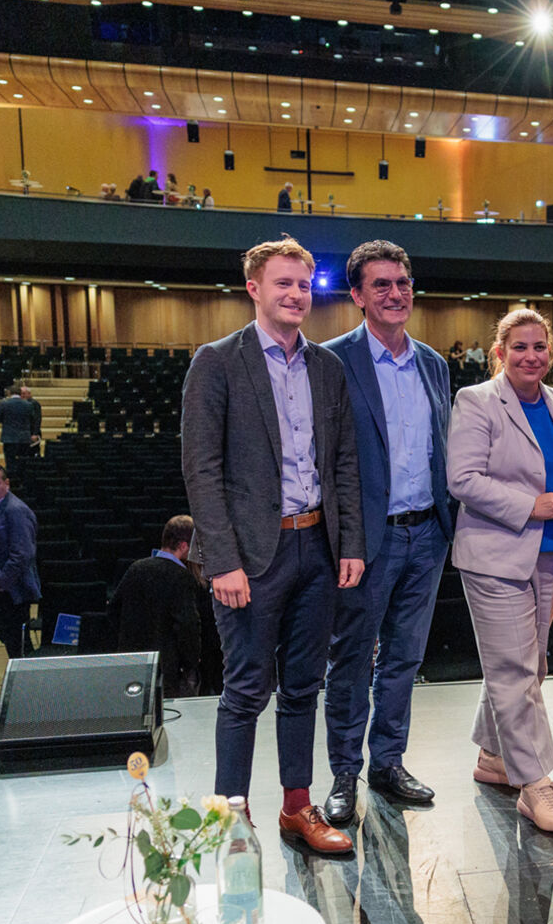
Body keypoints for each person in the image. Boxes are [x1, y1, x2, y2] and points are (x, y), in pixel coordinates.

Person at [181, 235, 364, 855]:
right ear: (253, 288)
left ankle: (295, 808)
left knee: (303, 686)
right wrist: (222, 561)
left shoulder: (327, 368)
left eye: (303, 284)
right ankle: (230, 820)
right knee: (245, 691)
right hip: (251, 557)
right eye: (282, 283)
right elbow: (201, 469)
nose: (295, 294)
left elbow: (343, 463)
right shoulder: (217, 361)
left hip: (317, 547)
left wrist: (350, 543)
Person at [320, 239, 454, 823]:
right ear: (357, 295)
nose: (395, 293)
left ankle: (389, 763)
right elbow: (326, 460)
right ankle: (343, 773)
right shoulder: (332, 361)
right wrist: (344, 539)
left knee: (404, 659)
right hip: (366, 541)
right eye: (381, 285)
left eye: (402, 283)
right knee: (351, 661)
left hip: (426, 535)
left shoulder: (433, 364)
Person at [448, 308, 553, 832]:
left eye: (539, 347)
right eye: (519, 347)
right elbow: (462, 478)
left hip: (552, 553)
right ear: (499, 353)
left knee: (527, 665)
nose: (531, 356)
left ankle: (494, 757)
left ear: (550, 352)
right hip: (494, 555)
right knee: (516, 670)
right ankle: (536, 784)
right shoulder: (476, 401)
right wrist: (530, 505)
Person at [109, 515, 202, 699]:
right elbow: (187, 626)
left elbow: (113, 611)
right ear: (184, 546)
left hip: (132, 663)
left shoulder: (136, 568)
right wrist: (191, 661)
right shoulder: (182, 578)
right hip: (166, 670)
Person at [0, 463, 40, 659]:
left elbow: (23, 554)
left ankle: (26, 677)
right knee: (7, 637)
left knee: (17, 643)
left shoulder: (15, 510)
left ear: (7, 483)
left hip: (10, 589)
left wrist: (1, 583)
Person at [0, 386, 40, 481]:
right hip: (24, 437)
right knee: (23, 461)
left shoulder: (4, 404)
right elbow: (33, 420)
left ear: (9, 393)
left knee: (10, 462)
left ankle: (12, 481)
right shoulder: (28, 405)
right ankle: (22, 481)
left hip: (9, 437)